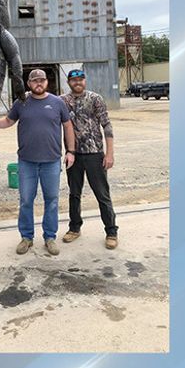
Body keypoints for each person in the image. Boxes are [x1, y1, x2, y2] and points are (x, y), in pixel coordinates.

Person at [0, 69, 76, 256]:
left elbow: (68, 126)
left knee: (52, 200)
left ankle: (50, 237)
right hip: (27, 162)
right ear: (29, 83)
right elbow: (8, 121)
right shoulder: (21, 102)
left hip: (51, 162)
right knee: (25, 201)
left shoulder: (57, 103)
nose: (38, 83)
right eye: (34, 81)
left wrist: (70, 151)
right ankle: (26, 237)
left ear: (46, 82)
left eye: (42, 80)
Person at [59, 69, 118, 249]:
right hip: (73, 155)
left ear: (85, 80)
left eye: (80, 79)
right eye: (73, 80)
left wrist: (109, 154)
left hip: (94, 154)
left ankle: (111, 232)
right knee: (74, 194)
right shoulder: (62, 101)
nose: (77, 82)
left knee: (102, 194)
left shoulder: (95, 99)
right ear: (68, 82)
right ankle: (74, 228)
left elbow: (106, 125)